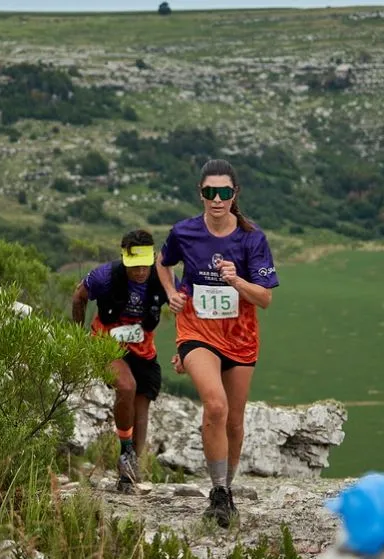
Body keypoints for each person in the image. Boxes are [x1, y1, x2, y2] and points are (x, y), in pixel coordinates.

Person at [155, 159, 280, 528]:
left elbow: (265, 299)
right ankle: (218, 494)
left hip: (240, 337)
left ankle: (228, 486)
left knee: (235, 423)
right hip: (196, 332)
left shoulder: (251, 238)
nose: (217, 199)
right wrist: (170, 293)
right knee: (215, 405)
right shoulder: (184, 232)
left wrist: (237, 281)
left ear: (234, 194)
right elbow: (163, 263)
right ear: (201, 194)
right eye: (210, 192)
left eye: (224, 192)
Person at [71, 229, 168, 494]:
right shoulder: (105, 276)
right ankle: (125, 449)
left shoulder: (162, 277)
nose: (139, 271)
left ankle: (129, 471)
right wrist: (78, 339)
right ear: (124, 259)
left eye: (144, 266)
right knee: (126, 386)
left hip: (143, 348)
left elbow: (185, 306)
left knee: (142, 404)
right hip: (106, 343)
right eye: (133, 266)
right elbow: (79, 296)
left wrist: (185, 347)